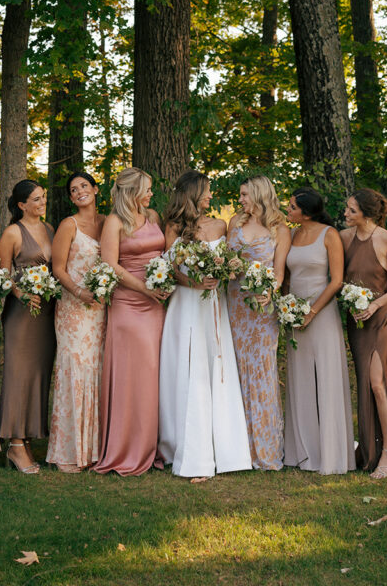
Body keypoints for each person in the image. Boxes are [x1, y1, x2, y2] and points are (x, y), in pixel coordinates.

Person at [158, 170, 252, 480]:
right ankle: (185, 446)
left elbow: (229, 263)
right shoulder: (173, 227)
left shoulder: (221, 225)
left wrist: (225, 272)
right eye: (206, 191)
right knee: (189, 368)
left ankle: (224, 447)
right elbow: (170, 270)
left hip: (214, 305)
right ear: (192, 194)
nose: (210, 196)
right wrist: (193, 281)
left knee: (217, 366)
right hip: (186, 305)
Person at [94, 167, 168, 475]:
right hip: (129, 304)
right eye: (146, 189)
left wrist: (162, 284)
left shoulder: (152, 216)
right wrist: (144, 289)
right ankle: (127, 448)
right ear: (131, 192)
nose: (151, 194)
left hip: (157, 304)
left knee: (155, 374)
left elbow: (164, 254)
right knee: (132, 376)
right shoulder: (114, 222)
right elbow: (110, 265)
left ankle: (153, 445)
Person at [278, 187, 355, 475]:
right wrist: (287, 307)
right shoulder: (292, 234)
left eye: (292, 206)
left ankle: (332, 454)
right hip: (293, 314)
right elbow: (286, 275)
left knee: (326, 376)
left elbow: (336, 281)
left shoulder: (329, 235)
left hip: (321, 314)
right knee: (299, 380)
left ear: (306, 212)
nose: (288, 210)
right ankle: (301, 451)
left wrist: (311, 313)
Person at [342, 188, 387, 477]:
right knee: (364, 382)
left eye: (351, 210)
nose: (345, 214)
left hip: (380, 319)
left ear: (367, 214)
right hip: (356, 321)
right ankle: (369, 449)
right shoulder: (343, 238)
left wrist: (375, 304)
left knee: (377, 382)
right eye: (346, 209)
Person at [226, 175, 290, 470]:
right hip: (235, 304)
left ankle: (264, 448)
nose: (240, 200)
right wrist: (229, 266)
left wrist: (270, 291)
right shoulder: (234, 224)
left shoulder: (279, 229)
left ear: (259, 195)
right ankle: (236, 448)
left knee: (262, 370)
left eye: (244, 195)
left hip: (262, 309)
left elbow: (278, 273)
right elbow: (226, 262)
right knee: (235, 368)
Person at [46, 172, 106, 473]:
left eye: (84, 186)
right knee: (74, 371)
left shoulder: (107, 222)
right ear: (71, 198)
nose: (80, 191)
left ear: (95, 189)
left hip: (100, 310)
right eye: (73, 189)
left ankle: (94, 451)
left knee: (97, 371)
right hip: (73, 308)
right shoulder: (68, 225)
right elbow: (58, 269)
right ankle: (68, 452)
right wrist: (80, 292)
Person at [0, 180, 56, 474]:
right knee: (19, 375)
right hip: (22, 315)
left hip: (47, 314)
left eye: (43, 197)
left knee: (38, 375)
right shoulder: (12, 233)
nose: (42, 202)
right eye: (36, 199)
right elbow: (2, 276)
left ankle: (28, 438)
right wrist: (22, 294)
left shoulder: (49, 229)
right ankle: (15, 444)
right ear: (21, 205)